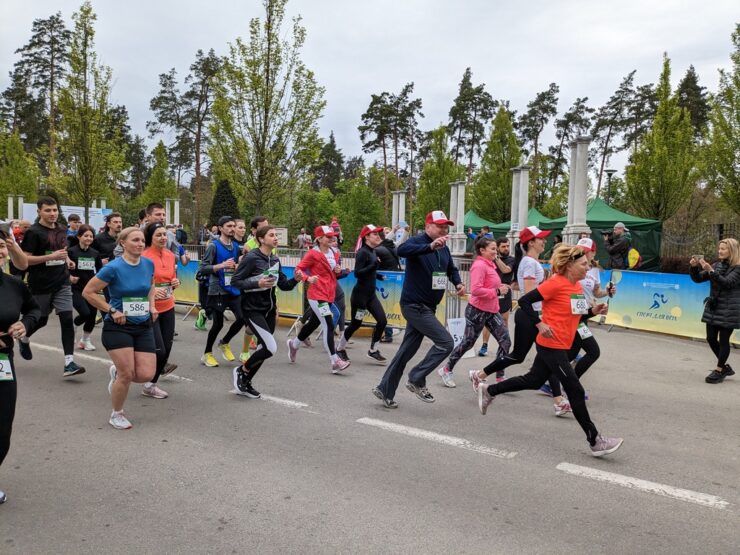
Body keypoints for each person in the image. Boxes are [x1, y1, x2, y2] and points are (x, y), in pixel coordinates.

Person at [477, 244, 622, 457]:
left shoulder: (575, 287)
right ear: (570, 265)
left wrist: (593, 310)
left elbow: (577, 317)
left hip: (560, 344)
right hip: (551, 345)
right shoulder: (556, 283)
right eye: (584, 264)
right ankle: (595, 440)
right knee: (575, 390)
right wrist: (539, 324)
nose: (588, 267)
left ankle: (488, 390)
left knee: (533, 380)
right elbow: (525, 301)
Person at [471, 226, 570, 415]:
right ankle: (480, 374)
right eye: (540, 238)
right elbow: (531, 295)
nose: (544, 241)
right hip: (531, 315)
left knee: (546, 356)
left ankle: (558, 401)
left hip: (534, 315)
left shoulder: (531, 262)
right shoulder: (529, 263)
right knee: (519, 355)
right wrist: (541, 315)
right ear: (531, 242)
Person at [372, 210, 465, 408]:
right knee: (446, 342)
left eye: (445, 226)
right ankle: (416, 378)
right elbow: (401, 251)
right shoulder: (417, 242)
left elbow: (451, 270)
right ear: (428, 226)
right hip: (414, 306)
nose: (443, 229)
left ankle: (384, 389)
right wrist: (430, 246)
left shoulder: (444, 249)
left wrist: (458, 283)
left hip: (428, 307)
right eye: (440, 226)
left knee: (406, 352)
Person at [83, 227, 157, 429]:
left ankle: (116, 372)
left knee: (145, 375)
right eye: (135, 240)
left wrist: (152, 305)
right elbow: (88, 292)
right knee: (127, 375)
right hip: (118, 326)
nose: (140, 244)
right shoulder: (113, 268)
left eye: (142, 240)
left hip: (143, 324)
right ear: (123, 243)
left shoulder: (149, 264)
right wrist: (112, 310)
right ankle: (117, 413)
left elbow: (150, 286)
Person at [231, 225, 301, 398]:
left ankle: (246, 382)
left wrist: (296, 280)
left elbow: (283, 285)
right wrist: (257, 284)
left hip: (269, 310)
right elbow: (235, 282)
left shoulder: (275, 260)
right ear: (261, 239)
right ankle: (242, 370)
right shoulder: (252, 258)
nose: (275, 237)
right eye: (271, 235)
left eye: (276, 235)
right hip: (252, 310)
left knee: (263, 348)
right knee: (271, 347)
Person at [19, 197, 86, 377]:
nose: (52, 214)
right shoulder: (33, 232)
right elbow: (25, 260)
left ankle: (69, 363)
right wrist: (50, 257)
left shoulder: (62, 229)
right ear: (39, 212)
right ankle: (24, 338)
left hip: (62, 282)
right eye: (48, 210)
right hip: (40, 284)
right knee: (40, 319)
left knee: (67, 319)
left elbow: (61, 252)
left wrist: (68, 260)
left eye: (55, 210)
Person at [0, 229, 41, 505]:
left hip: (3, 363)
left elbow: (35, 310)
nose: (0, 251)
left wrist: (24, 324)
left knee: (2, 427)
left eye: (2, 246)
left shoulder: (14, 284)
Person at [438, 236, 511, 388]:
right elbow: (476, 290)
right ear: (482, 250)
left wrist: (500, 287)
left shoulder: (490, 264)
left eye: (495, 249)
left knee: (505, 341)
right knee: (468, 343)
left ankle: (500, 376)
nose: (495, 252)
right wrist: (497, 291)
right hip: (477, 311)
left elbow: (489, 284)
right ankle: (446, 369)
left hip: (491, 311)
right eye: (492, 249)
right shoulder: (479, 265)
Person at [288, 225, 351, 374]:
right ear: (319, 239)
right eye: (328, 237)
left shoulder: (335, 252)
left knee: (313, 324)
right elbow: (298, 269)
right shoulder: (312, 254)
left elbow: (334, 273)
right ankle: (335, 361)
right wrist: (308, 278)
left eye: (332, 236)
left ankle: (294, 344)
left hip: (329, 294)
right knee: (328, 324)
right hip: (316, 295)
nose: (332, 238)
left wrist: (339, 271)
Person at [689, 238, 740, 384]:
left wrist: (710, 270)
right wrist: (693, 267)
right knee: (711, 338)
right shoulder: (717, 265)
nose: (720, 251)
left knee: (724, 341)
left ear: (732, 250)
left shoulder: (738, 268)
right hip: (714, 306)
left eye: (723, 249)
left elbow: (728, 283)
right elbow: (698, 279)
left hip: (730, 309)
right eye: (719, 248)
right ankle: (724, 367)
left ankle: (719, 370)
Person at [336, 225, 388, 364]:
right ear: (367, 237)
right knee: (356, 323)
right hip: (360, 296)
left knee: (382, 321)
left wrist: (378, 276)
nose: (378, 236)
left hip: (371, 295)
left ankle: (373, 350)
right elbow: (358, 273)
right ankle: (340, 348)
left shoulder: (373, 251)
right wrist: (374, 266)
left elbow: (369, 271)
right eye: (375, 234)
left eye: (378, 234)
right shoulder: (362, 252)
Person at [140, 222, 181, 399]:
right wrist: (152, 290)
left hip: (168, 305)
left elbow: (172, 277)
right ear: (150, 237)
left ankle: (151, 385)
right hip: (150, 307)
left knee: (168, 346)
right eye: (159, 235)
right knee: (159, 349)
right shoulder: (143, 257)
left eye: (165, 234)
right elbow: (137, 283)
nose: (163, 238)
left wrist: (175, 282)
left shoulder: (171, 255)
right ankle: (125, 372)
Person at [199, 216, 245, 366]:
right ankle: (207, 353)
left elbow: (237, 265)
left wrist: (238, 266)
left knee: (242, 318)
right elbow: (203, 268)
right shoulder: (213, 246)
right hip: (217, 289)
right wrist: (221, 265)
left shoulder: (236, 247)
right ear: (220, 228)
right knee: (217, 325)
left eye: (233, 226)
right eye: (228, 226)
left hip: (232, 288)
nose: (232, 228)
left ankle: (224, 342)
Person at [68, 224, 102, 351]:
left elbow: (100, 271)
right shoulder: (71, 252)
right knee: (85, 313)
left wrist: (100, 284)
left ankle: (85, 340)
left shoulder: (95, 253)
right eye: (86, 236)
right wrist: (69, 277)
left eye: (91, 236)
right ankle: (74, 325)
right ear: (79, 236)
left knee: (92, 316)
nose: (88, 238)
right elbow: (64, 268)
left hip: (90, 289)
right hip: (75, 288)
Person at [479, 237, 514, 356]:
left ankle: (504, 346)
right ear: (498, 248)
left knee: (504, 320)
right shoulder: (489, 260)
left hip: (505, 294)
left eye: (508, 246)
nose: (506, 248)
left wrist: (497, 258)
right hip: (492, 292)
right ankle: (484, 346)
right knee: (488, 322)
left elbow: (505, 270)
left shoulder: (511, 260)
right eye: (503, 246)